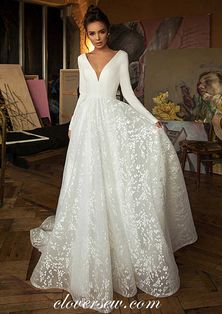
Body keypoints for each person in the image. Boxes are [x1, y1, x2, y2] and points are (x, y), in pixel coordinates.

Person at [30, 5, 198, 313]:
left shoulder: (120, 57)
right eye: (92, 34)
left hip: (112, 123)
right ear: (88, 35)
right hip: (87, 128)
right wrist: (73, 126)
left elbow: (129, 95)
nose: (97, 38)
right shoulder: (82, 59)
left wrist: (151, 121)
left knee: (116, 182)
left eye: (102, 32)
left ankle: (120, 246)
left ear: (109, 31)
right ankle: (92, 241)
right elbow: (82, 96)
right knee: (87, 184)